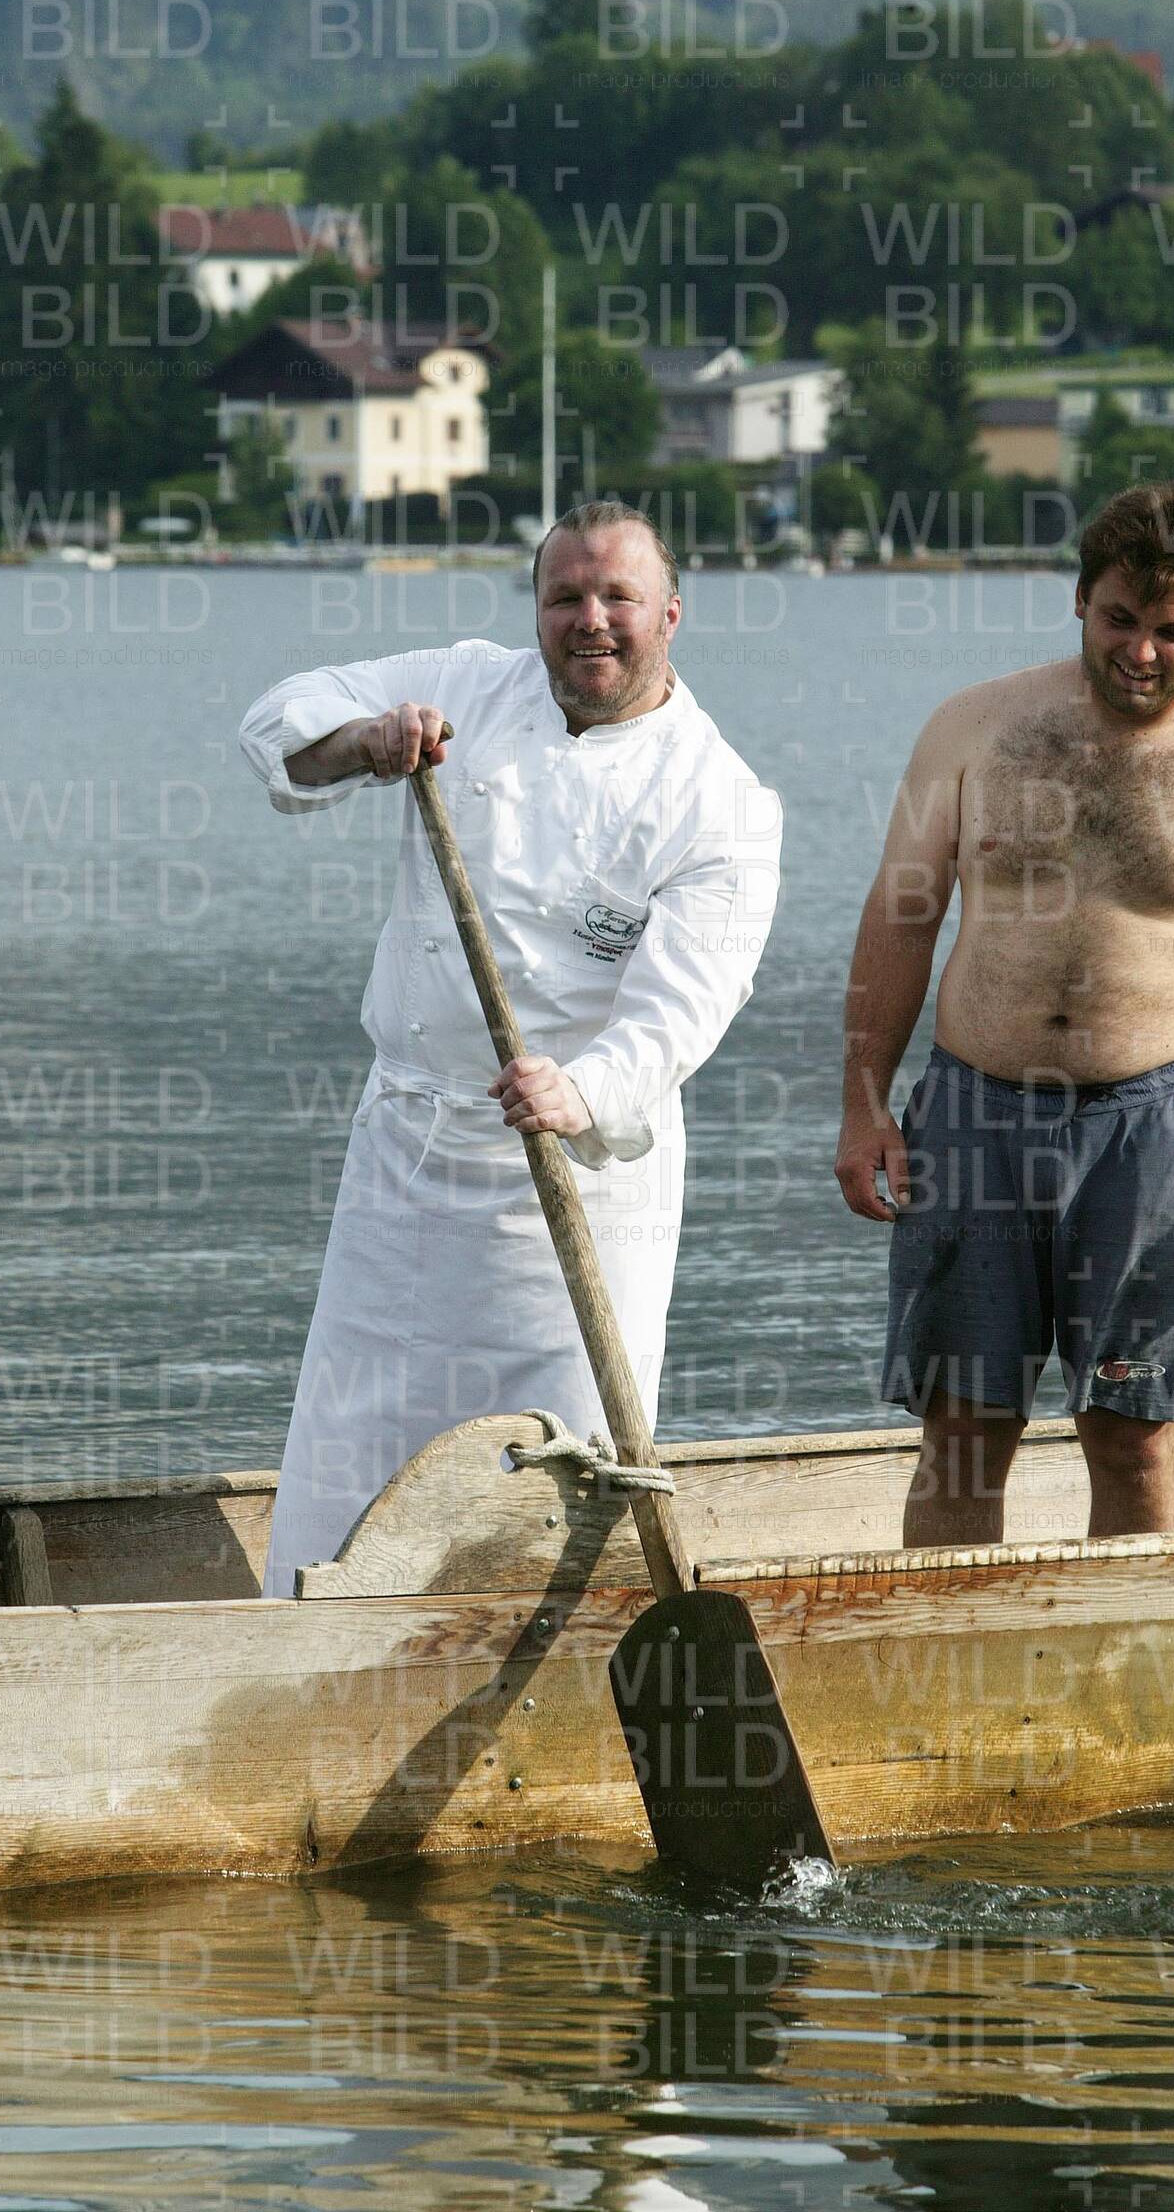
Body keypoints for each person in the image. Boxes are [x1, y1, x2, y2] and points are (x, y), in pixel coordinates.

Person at [240, 501, 782, 1597]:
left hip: (576, 1180)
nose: (591, 621)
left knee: (553, 1455)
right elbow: (277, 722)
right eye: (564, 597)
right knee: (354, 1442)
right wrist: (367, 743)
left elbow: (682, 1010)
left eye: (618, 597)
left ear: (670, 614)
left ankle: (554, 1645)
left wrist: (579, 1089)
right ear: (536, 611)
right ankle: (313, 1640)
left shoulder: (719, 801)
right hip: (405, 1157)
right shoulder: (467, 685)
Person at [834, 477, 1174, 1545]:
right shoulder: (973, 726)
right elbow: (900, 918)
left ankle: (1139, 1653)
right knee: (962, 1433)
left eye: (1171, 631)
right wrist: (863, 1104)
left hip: (1152, 1130)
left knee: (1132, 1435)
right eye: (1118, 619)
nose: (1139, 652)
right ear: (1078, 599)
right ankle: (950, 1650)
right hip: (971, 1113)